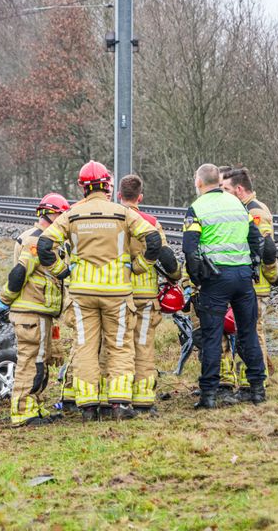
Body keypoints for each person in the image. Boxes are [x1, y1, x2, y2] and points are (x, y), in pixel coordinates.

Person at [37, 160, 163, 421]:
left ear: (82, 187)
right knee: (118, 346)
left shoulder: (71, 214)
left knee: (85, 346)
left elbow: (43, 246)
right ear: (108, 185)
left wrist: (64, 271)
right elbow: (153, 240)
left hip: (82, 292)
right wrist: (140, 266)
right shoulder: (121, 213)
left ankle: (88, 406)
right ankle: (119, 405)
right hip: (116, 292)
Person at [182, 163, 266, 409]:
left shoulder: (197, 208)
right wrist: (252, 267)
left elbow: (190, 249)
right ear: (218, 182)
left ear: (199, 183)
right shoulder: (238, 204)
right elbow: (256, 239)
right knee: (248, 332)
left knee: (211, 336)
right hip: (242, 278)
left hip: (215, 279)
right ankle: (257, 389)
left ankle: (208, 394)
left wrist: (198, 279)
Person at [0, 193, 70, 427]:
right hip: (31, 313)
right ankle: (23, 412)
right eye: (61, 214)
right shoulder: (36, 240)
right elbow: (19, 273)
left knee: (41, 362)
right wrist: (4, 299)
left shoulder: (44, 238)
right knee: (31, 363)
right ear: (49, 213)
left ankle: (34, 407)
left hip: (41, 312)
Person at [118, 174, 181, 414]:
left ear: (119, 196)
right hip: (145, 296)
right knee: (142, 345)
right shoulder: (151, 222)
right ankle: (143, 399)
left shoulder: (114, 220)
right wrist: (176, 277)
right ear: (140, 197)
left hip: (118, 294)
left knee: (118, 346)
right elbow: (165, 256)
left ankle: (116, 396)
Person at [222, 166, 278, 399]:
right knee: (249, 331)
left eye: (226, 189)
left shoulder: (255, 212)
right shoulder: (245, 208)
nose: (223, 193)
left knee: (254, 332)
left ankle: (255, 382)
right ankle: (252, 379)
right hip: (249, 281)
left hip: (256, 284)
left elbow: (266, 247)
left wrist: (272, 274)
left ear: (239, 189)